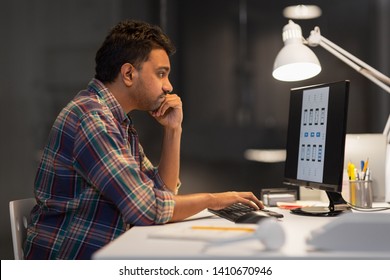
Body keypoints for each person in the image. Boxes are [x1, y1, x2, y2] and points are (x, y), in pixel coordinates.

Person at [24, 19, 263, 260]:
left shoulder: (116, 120)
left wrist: (173, 130)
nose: (168, 86)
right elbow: (147, 209)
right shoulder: (92, 118)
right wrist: (215, 199)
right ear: (128, 73)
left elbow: (163, 194)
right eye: (161, 74)